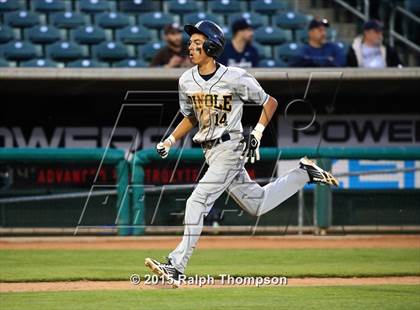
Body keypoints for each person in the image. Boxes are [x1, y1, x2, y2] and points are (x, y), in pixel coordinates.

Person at [145, 20, 338, 288]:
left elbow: (270, 102)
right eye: (190, 42)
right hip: (209, 152)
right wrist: (171, 139)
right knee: (257, 204)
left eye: (197, 43)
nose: (190, 47)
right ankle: (303, 173)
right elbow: (191, 116)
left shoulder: (235, 76)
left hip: (230, 147)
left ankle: (176, 266)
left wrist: (257, 132)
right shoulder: (186, 79)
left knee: (197, 202)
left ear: (212, 47)